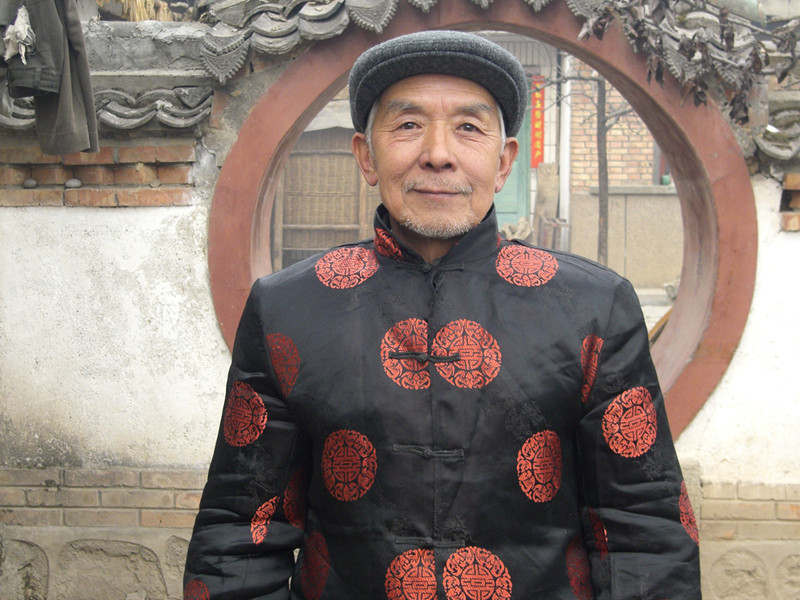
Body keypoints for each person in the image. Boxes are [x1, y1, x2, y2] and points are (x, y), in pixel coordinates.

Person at [183, 30, 701, 600]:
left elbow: (643, 527)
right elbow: (242, 531)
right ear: (366, 156)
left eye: (469, 128)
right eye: (407, 125)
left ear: (504, 163)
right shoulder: (288, 308)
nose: (437, 153)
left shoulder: (592, 308)